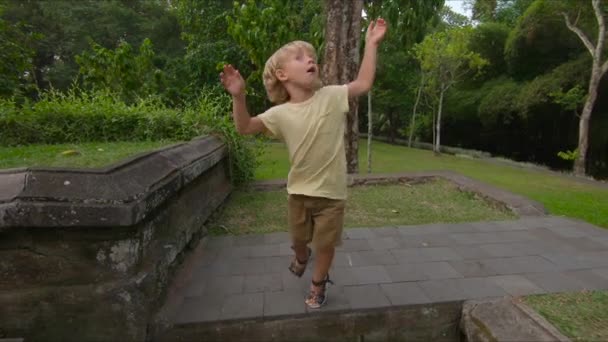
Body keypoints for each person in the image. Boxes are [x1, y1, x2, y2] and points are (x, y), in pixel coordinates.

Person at [220, 18, 387, 309]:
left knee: (325, 244)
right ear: (282, 74)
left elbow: (363, 83)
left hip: (332, 194)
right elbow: (245, 127)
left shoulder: (332, 96)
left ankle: (318, 283)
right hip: (298, 193)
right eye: (299, 57)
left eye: (311, 56)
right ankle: (300, 256)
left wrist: (371, 44)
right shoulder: (280, 113)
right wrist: (239, 96)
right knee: (299, 240)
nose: (310, 59)